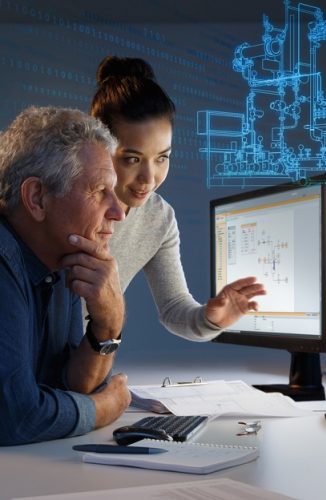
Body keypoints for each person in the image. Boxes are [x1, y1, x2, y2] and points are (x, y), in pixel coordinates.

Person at [90, 56, 265, 341]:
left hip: (89, 355)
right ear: (99, 147)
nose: (149, 179)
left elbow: (173, 307)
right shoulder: (67, 205)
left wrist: (211, 318)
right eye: (132, 159)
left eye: (162, 158)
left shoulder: (158, 217)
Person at [0, 106, 131, 445]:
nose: (119, 212)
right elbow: (15, 416)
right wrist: (106, 406)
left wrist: (108, 324)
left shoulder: (64, 259)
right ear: (37, 198)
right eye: (100, 190)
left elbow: (70, 385)